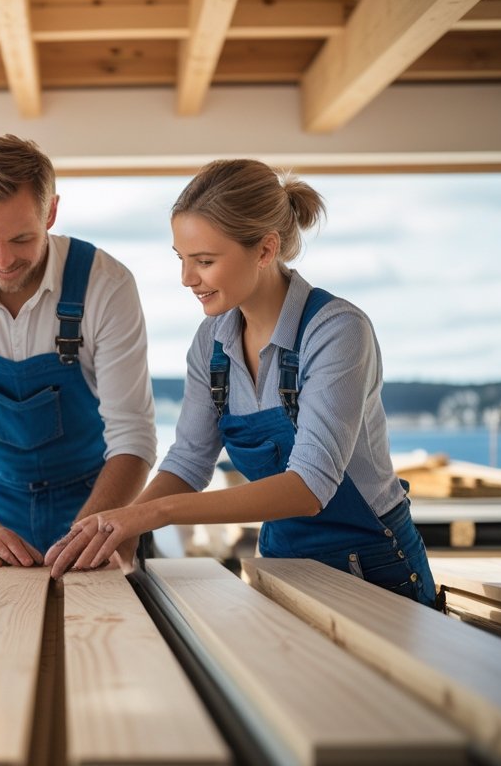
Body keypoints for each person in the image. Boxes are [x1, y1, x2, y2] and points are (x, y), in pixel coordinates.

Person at [46, 159, 437, 608]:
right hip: (282, 563)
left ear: (266, 250)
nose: (187, 279)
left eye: (205, 261)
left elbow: (309, 487)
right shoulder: (211, 341)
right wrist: (123, 526)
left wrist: (149, 514)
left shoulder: (337, 331)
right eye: (182, 259)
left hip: (375, 570)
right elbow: (190, 461)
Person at [0, 135, 158, 568]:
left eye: (21, 238)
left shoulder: (108, 283)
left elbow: (133, 435)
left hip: (98, 505)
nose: (3, 260)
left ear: (51, 212)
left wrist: (87, 535)